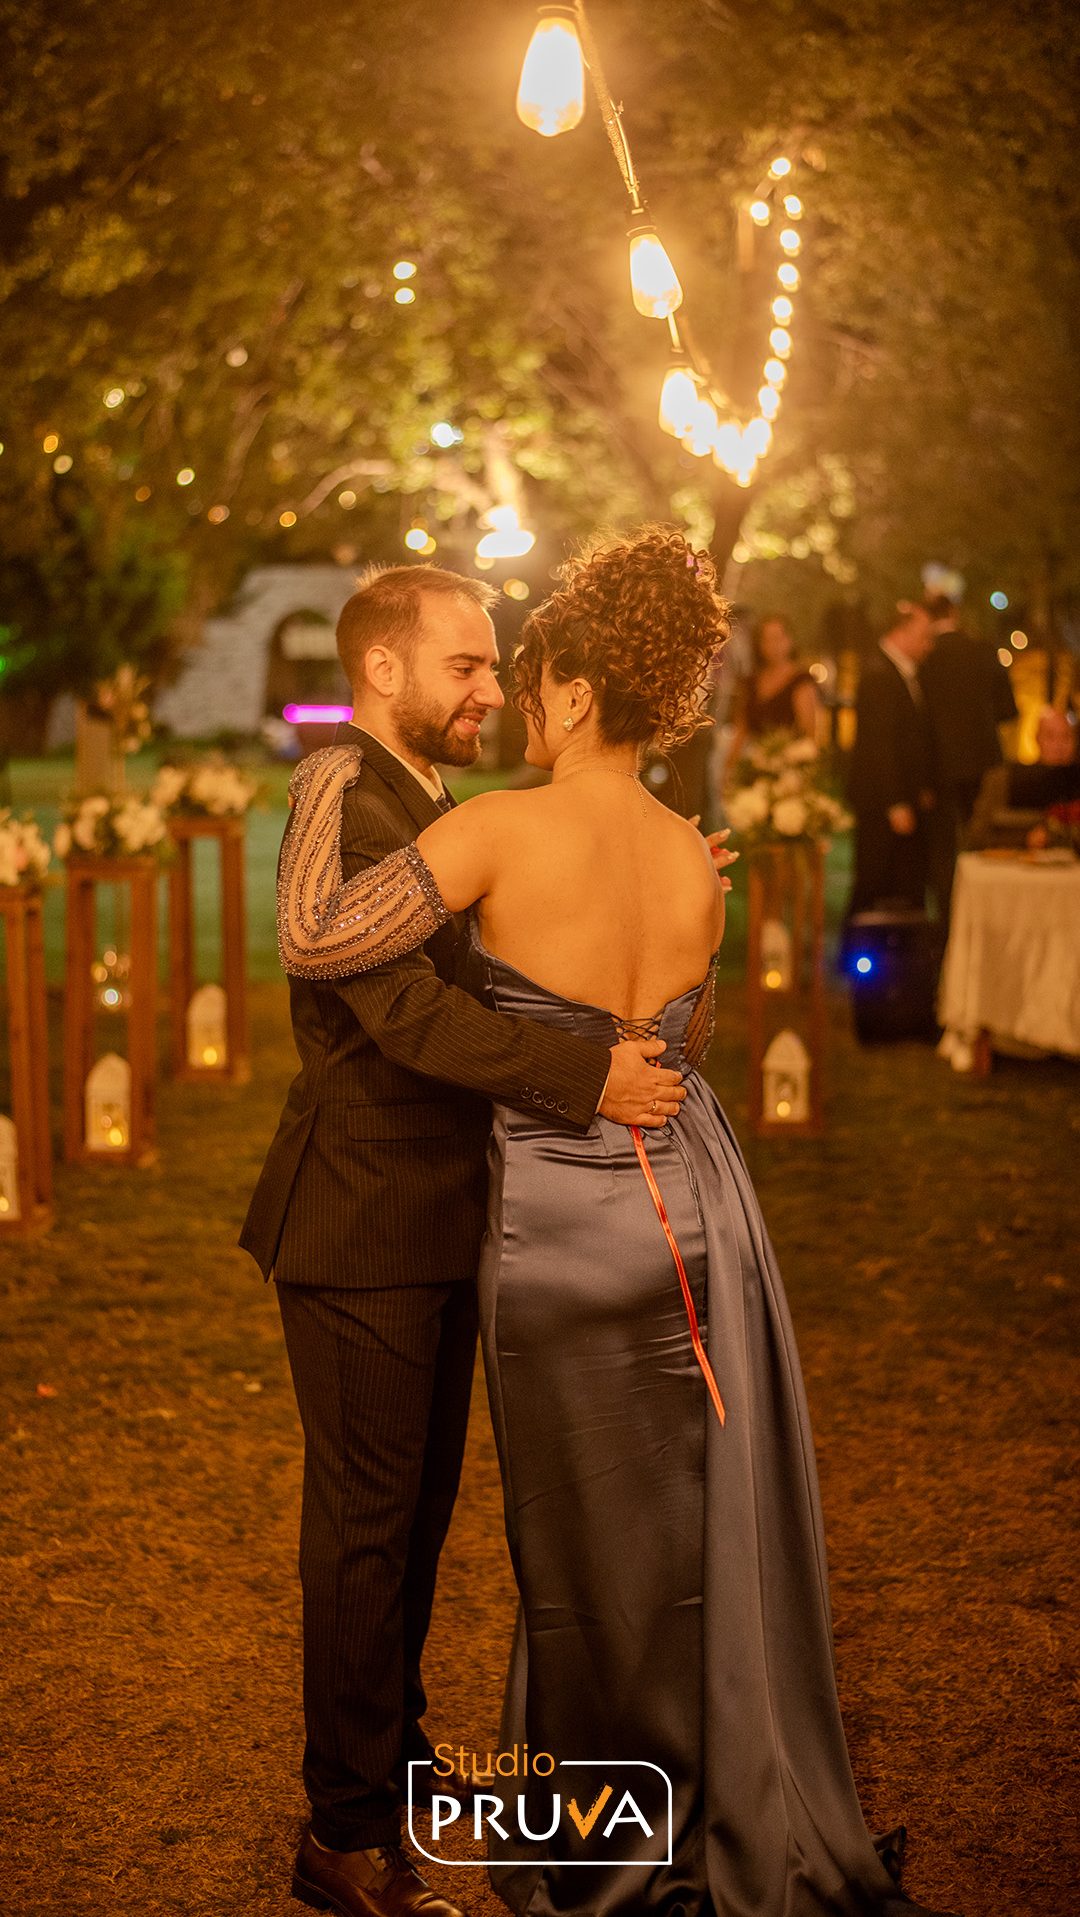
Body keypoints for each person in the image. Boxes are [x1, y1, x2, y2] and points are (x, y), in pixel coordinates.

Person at [281, 528, 958, 1917]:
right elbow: (679, 1041)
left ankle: (602, 1833)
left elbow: (328, 936)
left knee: (574, 1546)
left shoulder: (495, 827)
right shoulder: (691, 857)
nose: (509, 700)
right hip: (693, 1201)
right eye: (480, 670)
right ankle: (704, 1797)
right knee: (689, 1518)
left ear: (580, 692)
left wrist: (325, 803)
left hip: (559, 1221)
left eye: (523, 677)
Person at [240, 563, 685, 1917]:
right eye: (469, 664)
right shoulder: (344, 788)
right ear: (383, 669)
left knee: (417, 1520)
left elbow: (485, 967)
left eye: (496, 666)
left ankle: (390, 1759)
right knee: (368, 1532)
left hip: (444, 1210)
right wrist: (584, 1079)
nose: (494, 686)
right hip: (361, 1217)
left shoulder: (434, 802)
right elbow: (406, 1013)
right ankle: (345, 1834)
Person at [919, 593, 1017, 915]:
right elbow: (1008, 709)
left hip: (940, 765)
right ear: (955, 612)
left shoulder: (926, 657)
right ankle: (987, 913)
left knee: (944, 850)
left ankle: (949, 919)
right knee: (985, 840)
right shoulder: (984, 650)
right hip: (984, 762)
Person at [847, 601, 936, 917]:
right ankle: (859, 942)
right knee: (874, 880)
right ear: (901, 632)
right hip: (881, 801)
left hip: (898, 797)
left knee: (895, 882)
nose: (929, 644)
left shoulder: (902, 673)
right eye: (924, 636)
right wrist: (895, 801)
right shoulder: (879, 674)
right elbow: (879, 743)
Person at [966, 704, 1080, 848]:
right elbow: (976, 836)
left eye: (1066, 737)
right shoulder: (1005, 779)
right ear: (1037, 738)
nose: (1059, 746)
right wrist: (1024, 839)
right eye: (1050, 736)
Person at [726, 611, 821, 767]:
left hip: (789, 766)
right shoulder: (751, 682)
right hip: (756, 763)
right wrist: (730, 766)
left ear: (789, 640)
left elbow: (809, 733)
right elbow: (741, 729)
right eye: (766, 640)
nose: (773, 646)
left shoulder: (800, 681)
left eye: (777, 638)